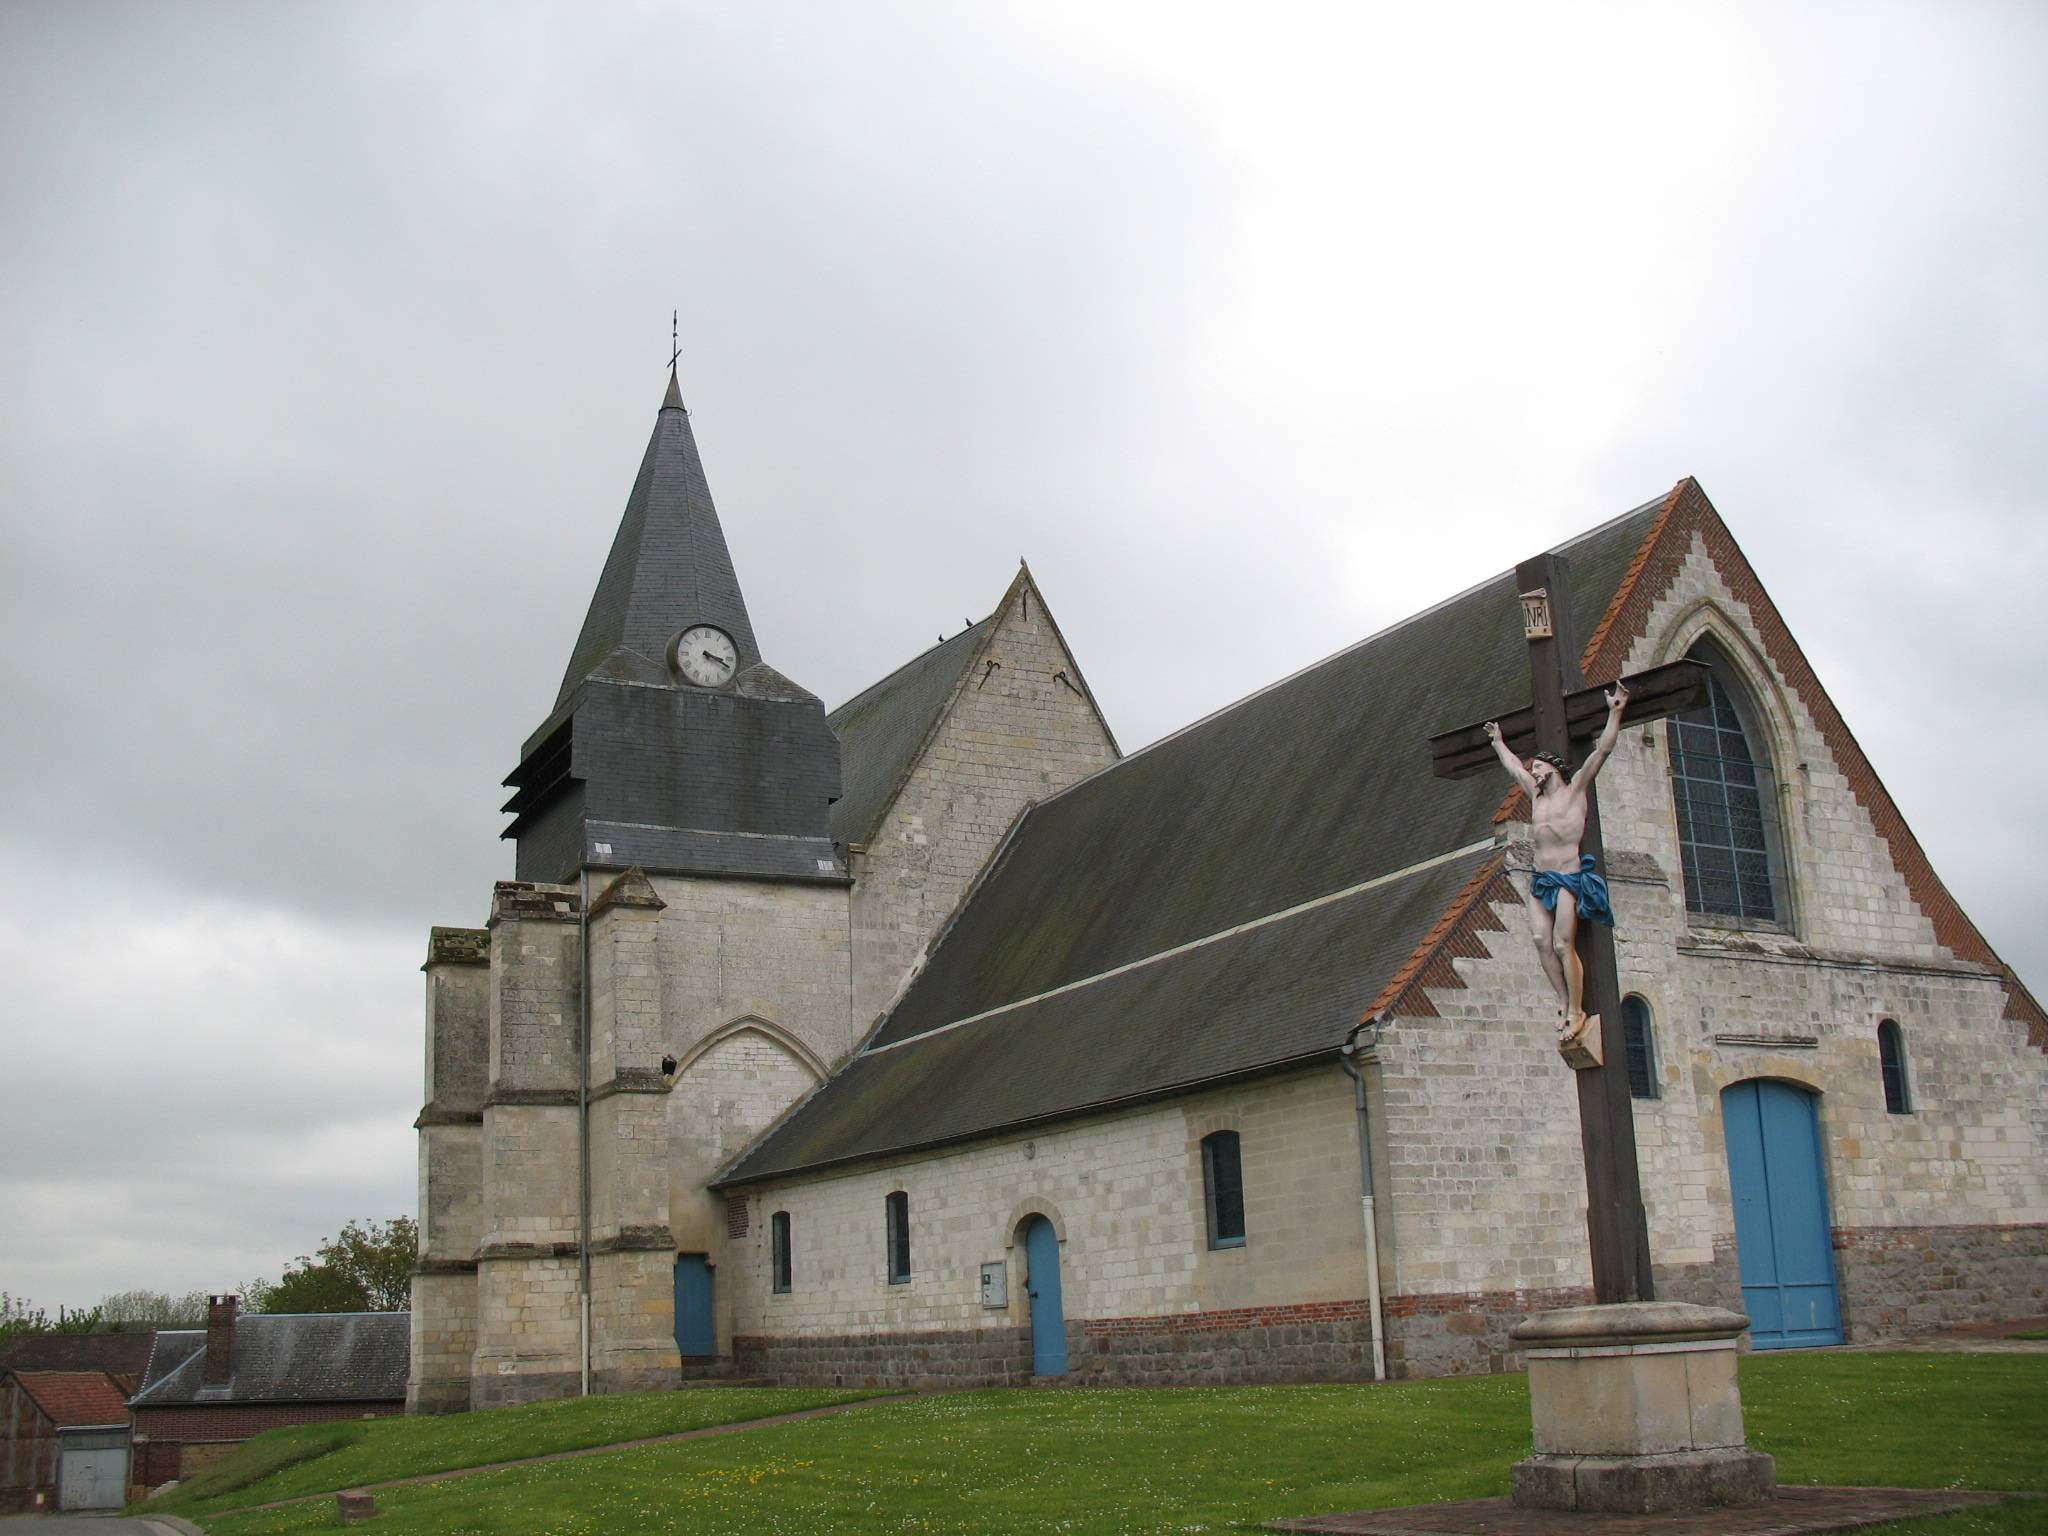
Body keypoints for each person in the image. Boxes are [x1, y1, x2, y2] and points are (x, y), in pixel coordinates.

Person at [1484, 680, 1629, 1049]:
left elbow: (1603, 752)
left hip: (1568, 877)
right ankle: (1562, 1000)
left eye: (1539, 766)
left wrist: (1615, 712)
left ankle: (1577, 1010)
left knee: (1564, 944)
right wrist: (1499, 742)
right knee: (1539, 940)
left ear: (1553, 767)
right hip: (1541, 878)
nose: (1533, 771)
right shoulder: (1535, 796)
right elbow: (1513, 767)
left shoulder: (1575, 789)